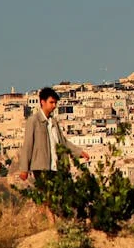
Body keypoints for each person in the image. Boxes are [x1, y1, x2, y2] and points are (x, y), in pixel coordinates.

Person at [18, 87, 90, 222]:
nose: (54, 106)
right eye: (51, 102)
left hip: (57, 165)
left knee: (59, 195)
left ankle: (60, 222)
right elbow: (28, 145)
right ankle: (52, 223)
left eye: (55, 103)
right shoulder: (33, 121)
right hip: (41, 166)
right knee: (49, 195)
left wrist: (79, 152)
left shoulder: (54, 122)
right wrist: (24, 168)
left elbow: (63, 142)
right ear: (42, 102)